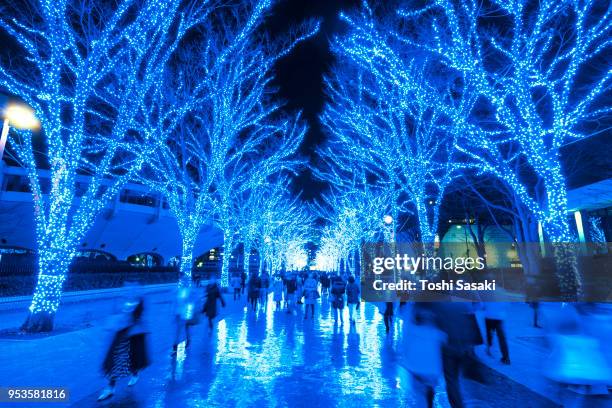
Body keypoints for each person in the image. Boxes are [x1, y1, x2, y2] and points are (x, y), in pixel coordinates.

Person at [99, 296, 150, 401]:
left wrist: (130, 315)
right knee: (115, 361)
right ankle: (111, 387)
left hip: (132, 336)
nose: (130, 286)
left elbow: (138, 315)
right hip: (120, 335)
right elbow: (115, 313)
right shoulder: (122, 297)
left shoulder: (138, 298)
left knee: (130, 359)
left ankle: (134, 373)